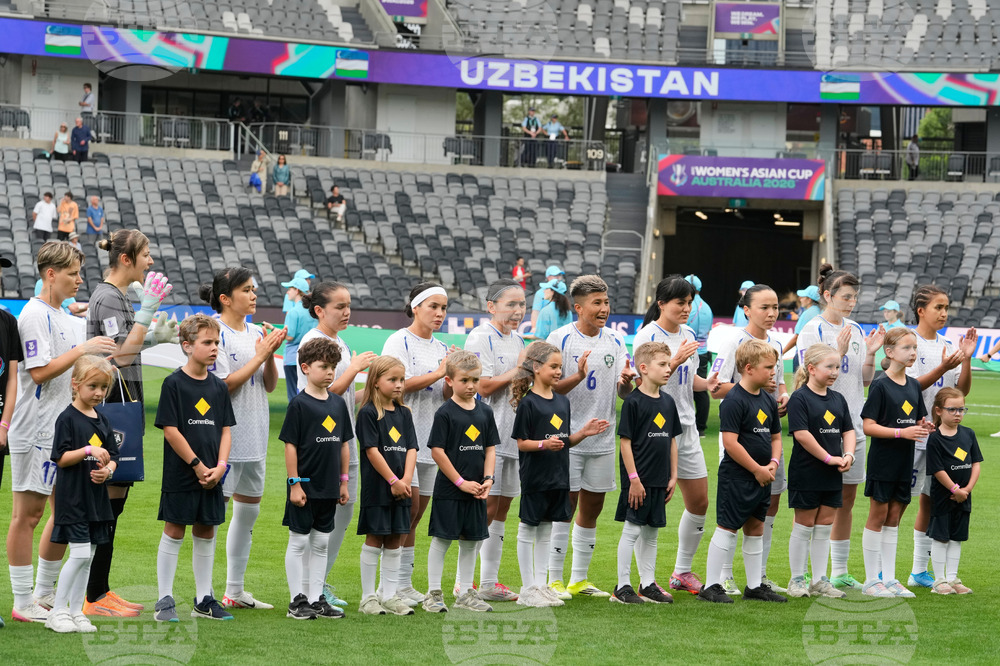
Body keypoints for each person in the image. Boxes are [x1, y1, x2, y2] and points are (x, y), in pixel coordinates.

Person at [6, 242, 116, 623]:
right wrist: (83, 348)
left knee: (63, 513)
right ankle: (23, 601)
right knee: (29, 514)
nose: (79, 280)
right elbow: (38, 372)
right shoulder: (35, 314)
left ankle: (44, 594)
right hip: (36, 428)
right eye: (73, 273)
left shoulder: (68, 317)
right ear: (50, 274)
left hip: (66, 429)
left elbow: (89, 365)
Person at [84, 230, 175, 616]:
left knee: (115, 503)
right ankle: (91, 595)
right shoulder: (107, 296)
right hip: (110, 415)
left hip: (122, 412)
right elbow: (118, 357)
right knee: (105, 504)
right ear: (127, 259)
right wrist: (147, 314)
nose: (150, 261)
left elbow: (125, 348)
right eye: (146, 254)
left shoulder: (117, 296)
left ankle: (99, 588)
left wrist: (151, 337)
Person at [200, 267, 285, 612]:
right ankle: (204, 593)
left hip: (256, 431)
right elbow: (223, 386)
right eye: (247, 290)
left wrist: (269, 357)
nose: (254, 295)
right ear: (225, 298)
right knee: (213, 515)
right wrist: (262, 355)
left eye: (254, 289)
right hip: (226, 437)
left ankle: (234, 590)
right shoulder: (214, 332)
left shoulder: (254, 331)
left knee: (248, 511)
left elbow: (268, 386)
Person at [545, 275, 634, 599]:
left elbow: (623, 392)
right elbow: (549, 389)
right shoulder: (560, 338)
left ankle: (578, 579)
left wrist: (626, 383)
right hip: (566, 438)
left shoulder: (615, 340)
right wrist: (578, 375)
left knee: (592, 507)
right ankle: (554, 579)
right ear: (578, 307)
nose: (604, 309)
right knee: (563, 506)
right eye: (597, 303)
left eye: (606, 302)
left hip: (602, 438)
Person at [796, 266, 884, 591]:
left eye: (854, 297)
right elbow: (804, 377)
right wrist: (839, 352)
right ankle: (805, 572)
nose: (851, 302)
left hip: (853, 426)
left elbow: (863, 380)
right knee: (815, 502)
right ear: (828, 295)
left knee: (846, 499)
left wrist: (871, 354)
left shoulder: (857, 328)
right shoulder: (812, 330)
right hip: (821, 427)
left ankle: (840, 570)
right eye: (845, 297)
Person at [633, 276, 720, 596]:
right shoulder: (647, 336)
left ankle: (682, 571)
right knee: (650, 507)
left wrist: (707, 383)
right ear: (661, 304)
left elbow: (688, 380)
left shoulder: (686, 334)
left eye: (689, 302)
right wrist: (677, 358)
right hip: (655, 431)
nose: (687, 308)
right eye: (679, 302)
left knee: (699, 502)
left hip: (687, 428)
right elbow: (644, 387)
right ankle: (644, 581)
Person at [510, 341, 609, 607]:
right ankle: (528, 587)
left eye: (560, 367)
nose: (558, 372)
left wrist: (582, 434)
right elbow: (522, 443)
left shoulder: (562, 402)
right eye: (554, 367)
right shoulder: (529, 403)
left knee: (546, 530)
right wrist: (543, 444)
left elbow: (564, 441)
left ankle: (541, 586)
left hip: (558, 477)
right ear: (536, 367)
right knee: (528, 529)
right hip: (535, 477)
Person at [297, 281, 377, 608]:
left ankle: (319, 581)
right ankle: (309, 587)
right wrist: (356, 369)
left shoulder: (340, 342)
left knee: (343, 513)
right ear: (319, 310)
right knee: (325, 515)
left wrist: (375, 392)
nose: (347, 312)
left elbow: (345, 398)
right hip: (321, 441)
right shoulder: (314, 341)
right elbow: (324, 393)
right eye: (339, 307)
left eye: (348, 306)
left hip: (344, 437)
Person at [153, 314, 236, 622]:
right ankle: (164, 598)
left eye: (217, 342)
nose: (214, 348)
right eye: (207, 342)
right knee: (175, 529)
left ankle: (204, 599)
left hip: (213, 476)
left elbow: (226, 429)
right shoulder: (173, 383)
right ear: (187, 346)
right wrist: (198, 465)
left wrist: (220, 467)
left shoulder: (218, 387)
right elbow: (171, 430)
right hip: (183, 473)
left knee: (206, 530)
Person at [709, 283, 789, 595]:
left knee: (767, 508)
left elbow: (777, 384)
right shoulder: (734, 341)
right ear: (746, 309)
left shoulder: (777, 345)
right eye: (764, 308)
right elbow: (715, 387)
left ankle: (759, 577)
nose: (771, 314)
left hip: (767, 440)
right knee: (733, 512)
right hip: (739, 441)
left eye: (776, 307)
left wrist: (781, 397)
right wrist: (750, 391)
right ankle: (724, 576)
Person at [381, 282, 456, 607]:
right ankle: (390, 585)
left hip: (431, 440)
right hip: (401, 440)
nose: (439, 313)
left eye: (443, 308)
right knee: (404, 510)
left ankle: (404, 582)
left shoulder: (442, 346)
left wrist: (453, 380)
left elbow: (444, 395)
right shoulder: (399, 340)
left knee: (416, 513)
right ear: (415, 307)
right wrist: (440, 372)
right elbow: (395, 387)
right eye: (433, 306)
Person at [698, 339, 786, 604]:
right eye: (769, 367)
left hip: (763, 475)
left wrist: (772, 464)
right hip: (737, 476)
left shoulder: (768, 401)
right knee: (727, 527)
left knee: (757, 526)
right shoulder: (734, 400)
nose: (774, 372)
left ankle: (754, 585)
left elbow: (776, 438)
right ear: (748, 368)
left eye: (775, 366)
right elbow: (730, 442)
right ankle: (711, 586)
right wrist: (756, 469)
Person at [904, 285, 975, 589]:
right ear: (921, 310)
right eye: (938, 307)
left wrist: (966, 360)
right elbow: (908, 388)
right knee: (898, 502)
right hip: (914, 434)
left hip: (941, 438)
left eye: (947, 307)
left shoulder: (948, 343)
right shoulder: (910, 343)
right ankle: (881, 570)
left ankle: (920, 570)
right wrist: (943, 366)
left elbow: (961, 392)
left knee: (931, 503)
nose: (944, 313)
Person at [44, 356, 118, 634]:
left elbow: (115, 456)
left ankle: (77, 611)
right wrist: (88, 450)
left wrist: (107, 471)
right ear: (75, 385)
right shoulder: (67, 418)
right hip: (73, 499)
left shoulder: (103, 419)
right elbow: (61, 458)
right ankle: (58, 611)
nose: (98, 393)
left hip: (96, 501)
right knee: (77, 555)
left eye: (103, 387)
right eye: (92, 386)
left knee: (89, 556)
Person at [464, 279, 527, 602]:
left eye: (522, 304)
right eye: (511, 304)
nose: (518, 311)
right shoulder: (480, 337)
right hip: (486, 436)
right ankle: (465, 583)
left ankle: (489, 582)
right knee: (484, 508)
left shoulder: (518, 340)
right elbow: (483, 386)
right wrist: (521, 368)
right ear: (491, 307)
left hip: (512, 434)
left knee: (502, 508)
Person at [280, 337, 352, 620]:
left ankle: (316, 598)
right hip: (305, 487)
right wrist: (294, 483)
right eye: (324, 366)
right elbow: (290, 446)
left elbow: (344, 444)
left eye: (333, 367)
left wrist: (343, 481)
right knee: (299, 542)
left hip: (330, 487)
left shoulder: (337, 403)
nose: (330, 372)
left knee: (321, 543)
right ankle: (296, 600)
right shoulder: (299, 404)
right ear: (306, 368)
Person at [422, 351, 498, 614]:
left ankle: (465, 592)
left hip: (477, 490)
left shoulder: (485, 412)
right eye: (464, 380)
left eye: (475, 380)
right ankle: (433, 593)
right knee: (442, 540)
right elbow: (437, 452)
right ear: (450, 380)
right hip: (450, 491)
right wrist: (460, 482)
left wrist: (488, 479)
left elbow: (490, 448)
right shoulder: (445, 413)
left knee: (471, 542)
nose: (471, 386)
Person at [859, 327, 932, 598]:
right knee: (878, 515)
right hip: (883, 460)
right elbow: (868, 426)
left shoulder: (913, 385)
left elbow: (916, 421)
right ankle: (870, 580)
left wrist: (925, 426)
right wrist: (902, 432)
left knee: (893, 519)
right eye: (906, 348)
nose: (912, 352)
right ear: (889, 352)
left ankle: (889, 579)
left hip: (905, 461)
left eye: (914, 348)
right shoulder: (880, 384)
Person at [611, 342, 680, 605]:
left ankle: (648, 584)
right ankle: (622, 586)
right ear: (643, 368)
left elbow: (672, 440)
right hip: (637, 481)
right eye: (662, 364)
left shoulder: (668, 402)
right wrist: (634, 480)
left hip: (660, 480)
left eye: (668, 363)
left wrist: (673, 476)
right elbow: (625, 442)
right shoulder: (634, 402)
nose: (668, 368)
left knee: (652, 533)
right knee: (632, 531)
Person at [784, 343, 855, 599]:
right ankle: (797, 579)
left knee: (825, 526)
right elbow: (802, 435)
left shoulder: (838, 399)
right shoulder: (800, 398)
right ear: (811, 369)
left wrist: (848, 455)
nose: (835, 372)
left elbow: (848, 430)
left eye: (837, 367)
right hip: (807, 472)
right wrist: (829, 458)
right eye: (830, 367)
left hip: (832, 473)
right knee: (804, 525)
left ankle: (820, 580)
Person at [356, 356, 418, 616]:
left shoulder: (405, 413)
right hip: (378, 487)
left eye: (402, 380)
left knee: (395, 540)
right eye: (392, 379)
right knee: (376, 537)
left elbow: (412, 448)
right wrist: (392, 480)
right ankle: (368, 598)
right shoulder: (369, 412)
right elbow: (371, 450)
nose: (399, 385)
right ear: (376, 381)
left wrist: (405, 480)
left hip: (401, 486)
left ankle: (390, 595)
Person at [925, 388, 980, 596]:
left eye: (961, 409)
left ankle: (952, 577)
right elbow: (937, 470)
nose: (958, 414)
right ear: (938, 411)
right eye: (952, 410)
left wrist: (966, 490)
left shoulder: (968, 434)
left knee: (957, 537)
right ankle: (939, 580)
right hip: (943, 497)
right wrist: (954, 489)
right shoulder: (935, 439)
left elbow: (975, 463)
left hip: (963, 496)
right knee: (941, 537)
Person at [686, 275, 714, 438]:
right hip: (703, 352)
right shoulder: (707, 307)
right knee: (702, 390)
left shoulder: (687, 307)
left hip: (688, 351)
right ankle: (701, 427)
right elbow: (708, 331)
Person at [281, 276, 314, 402]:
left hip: (292, 358)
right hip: (310, 357)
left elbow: (290, 336)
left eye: (290, 289)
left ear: (297, 291)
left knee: (294, 396)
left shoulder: (293, 312)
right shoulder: (312, 311)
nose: (288, 292)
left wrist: (274, 331)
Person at [782, 285, 822, 363]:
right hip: (817, 356)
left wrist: (782, 353)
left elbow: (797, 337)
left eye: (803, 297)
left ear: (809, 299)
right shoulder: (821, 312)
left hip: (803, 356)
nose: (800, 299)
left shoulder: (807, 313)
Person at [529, 265, 565, 333]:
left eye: (559, 275)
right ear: (548, 277)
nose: (558, 278)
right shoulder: (540, 293)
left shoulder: (561, 291)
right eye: (555, 275)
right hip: (545, 330)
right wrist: (534, 327)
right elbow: (536, 312)